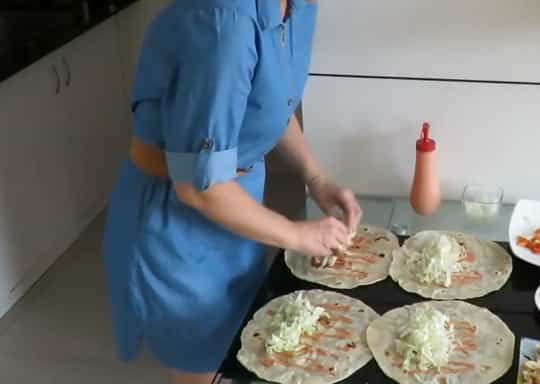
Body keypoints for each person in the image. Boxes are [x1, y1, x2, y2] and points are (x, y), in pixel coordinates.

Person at [102, 0, 361, 383]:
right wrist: (295, 234)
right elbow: (197, 186)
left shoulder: (299, 7)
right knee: (204, 367)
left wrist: (316, 177)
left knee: (240, 348)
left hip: (236, 211)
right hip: (175, 227)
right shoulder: (226, 22)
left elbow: (272, 103)